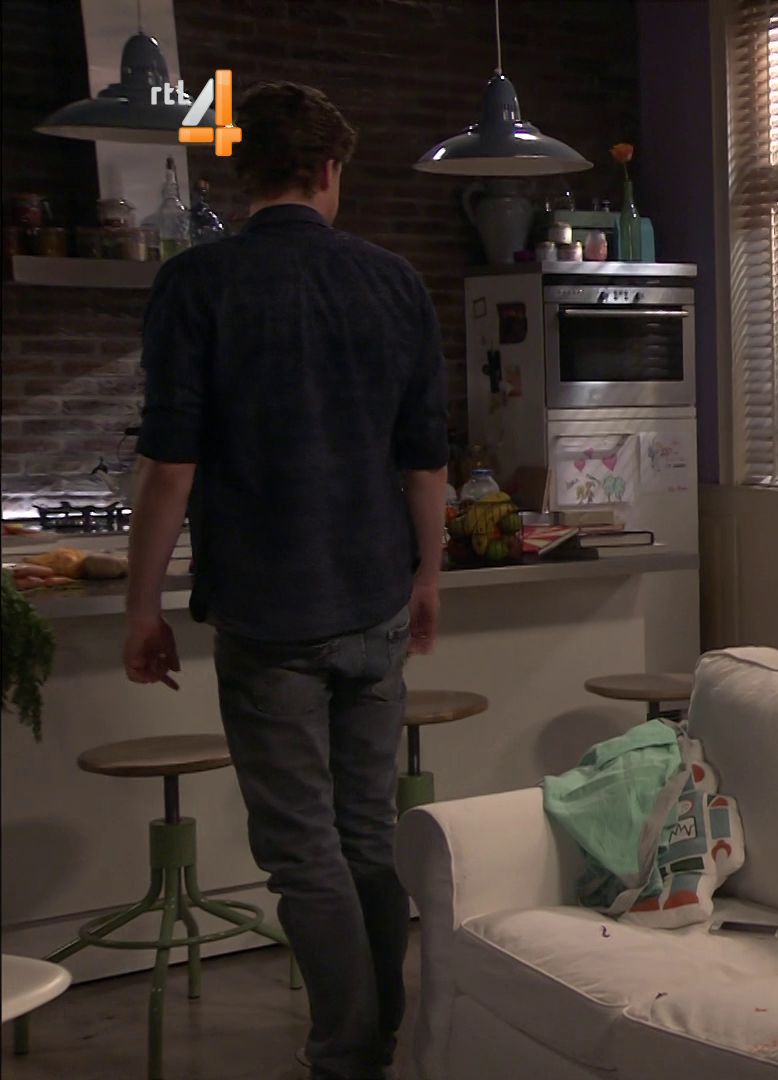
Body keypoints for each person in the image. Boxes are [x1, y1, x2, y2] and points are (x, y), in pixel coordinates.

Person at [122, 81, 448, 1080]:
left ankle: (348, 1056)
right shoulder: (395, 283)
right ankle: (379, 1042)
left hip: (268, 612)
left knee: (305, 849)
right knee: (364, 836)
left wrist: (142, 605)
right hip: (375, 595)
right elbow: (424, 460)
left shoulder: (196, 283)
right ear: (329, 170)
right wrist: (428, 578)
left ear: (244, 173)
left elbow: (169, 466)